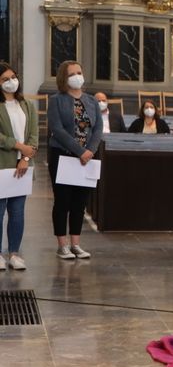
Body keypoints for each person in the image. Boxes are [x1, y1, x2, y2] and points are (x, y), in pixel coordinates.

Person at [47, 61, 101, 260]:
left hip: (86, 159)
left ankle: (76, 243)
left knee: (80, 202)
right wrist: (80, 150)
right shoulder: (56, 100)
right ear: (64, 78)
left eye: (79, 72)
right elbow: (57, 129)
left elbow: (97, 129)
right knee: (63, 201)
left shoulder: (91, 101)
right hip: (63, 155)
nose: (77, 76)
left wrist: (90, 150)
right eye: (72, 73)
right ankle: (62, 245)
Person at [0, 63, 37, 270]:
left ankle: (14, 252)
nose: (11, 81)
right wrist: (17, 145)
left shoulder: (27, 105)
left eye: (13, 77)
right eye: (5, 79)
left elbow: (33, 134)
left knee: (17, 211)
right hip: (2, 164)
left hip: (23, 165)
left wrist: (25, 156)